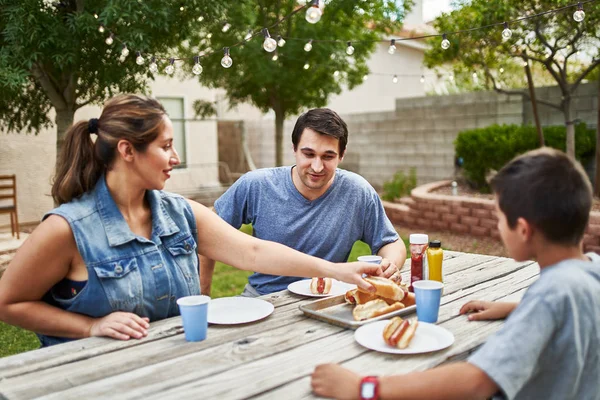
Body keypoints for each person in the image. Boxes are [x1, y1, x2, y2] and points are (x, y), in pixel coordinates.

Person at [0, 95, 383, 347]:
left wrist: (336, 270)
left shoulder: (179, 212)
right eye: (166, 146)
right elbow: (9, 303)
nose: (176, 156)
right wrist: (89, 327)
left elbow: (251, 251)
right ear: (127, 151)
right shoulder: (68, 228)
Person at [311, 147, 600, 400]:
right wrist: (517, 308)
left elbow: (476, 382)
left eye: (499, 219)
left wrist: (365, 387)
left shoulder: (551, 296)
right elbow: (575, 310)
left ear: (523, 230)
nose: (499, 228)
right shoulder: (591, 269)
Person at [200, 108, 406, 297]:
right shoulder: (256, 185)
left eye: (328, 156)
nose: (317, 167)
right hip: (263, 298)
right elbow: (206, 237)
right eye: (308, 154)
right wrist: (203, 297)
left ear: (341, 156)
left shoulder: (357, 192)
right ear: (294, 149)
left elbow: (391, 243)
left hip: (328, 297)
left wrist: (390, 264)